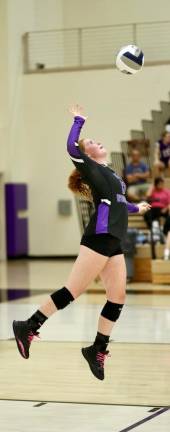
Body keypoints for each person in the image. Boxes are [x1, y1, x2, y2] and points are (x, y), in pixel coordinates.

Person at [12, 105, 150, 381]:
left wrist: (138, 208)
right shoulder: (88, 166)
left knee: (118, 296)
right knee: (72, 291)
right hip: (98, 238)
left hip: (113, 240)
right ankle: (29, 325)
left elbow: (120, 204)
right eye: (92, 143)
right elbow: (71, 148)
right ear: (87, 154)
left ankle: (97, 348)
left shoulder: (112, 176)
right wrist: (78, 122)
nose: (97, 142)